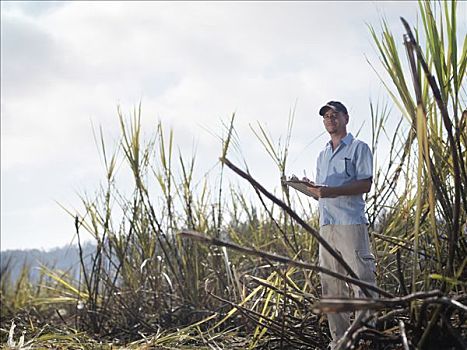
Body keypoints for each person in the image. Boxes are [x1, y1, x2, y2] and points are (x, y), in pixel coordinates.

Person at [305, 101, 377, 349]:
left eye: (334, 114)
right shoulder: (322, 155)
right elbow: (322, 192)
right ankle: (340, 342)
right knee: (331, 284)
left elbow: (365, 184)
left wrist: (329, 191)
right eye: (325, 115)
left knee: (362, 279)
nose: (329, 119)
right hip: (327, 227)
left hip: (350, 224)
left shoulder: (359, 148)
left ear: (346, 118)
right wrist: (311, 189)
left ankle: (366, 338)